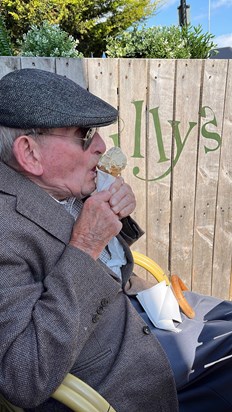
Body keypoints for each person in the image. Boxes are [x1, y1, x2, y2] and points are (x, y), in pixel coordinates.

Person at [0, 68, 231, 412]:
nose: (101, 146)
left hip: (136, 309)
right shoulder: (6, 228)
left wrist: (116, 218)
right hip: (115, 368)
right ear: (30, 153)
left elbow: (112, 271)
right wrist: (86, 244)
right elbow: (24, 375)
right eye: (84, 134)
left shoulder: (53, 187)